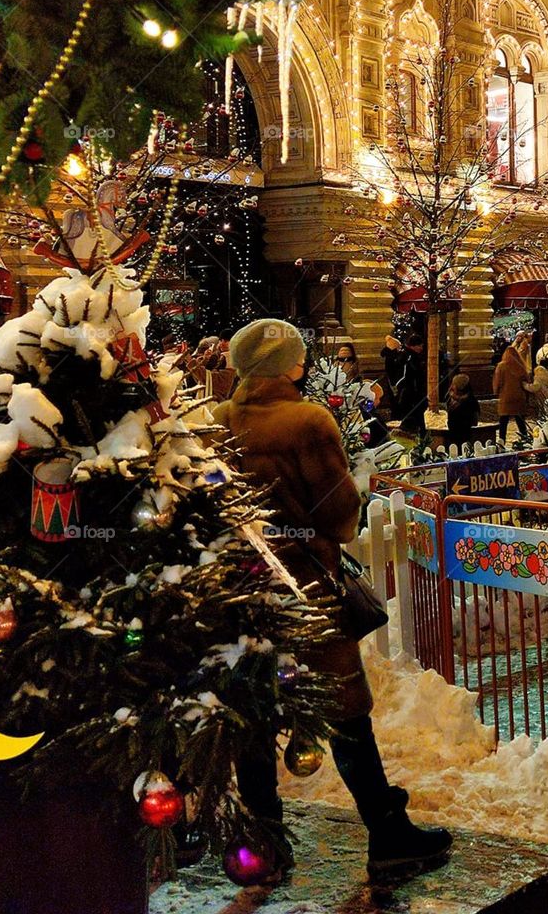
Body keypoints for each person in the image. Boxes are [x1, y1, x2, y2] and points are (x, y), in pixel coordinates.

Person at [211, 319, 452, 879]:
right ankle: (388, 836)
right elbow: (341, 518)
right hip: (307, 589)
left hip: (244, 588)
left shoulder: (216, 421)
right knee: (346, 716)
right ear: (289, 366)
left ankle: (264, 846)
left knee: (253, 714)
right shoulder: (308, 421)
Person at [493, 342, 529, 441]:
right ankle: (525, 439)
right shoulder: (521, 366)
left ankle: (502, 440)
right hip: (519, 396)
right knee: (520, 421)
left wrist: (496, 391)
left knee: (503, 421)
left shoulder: (501, 366)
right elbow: (527, 380)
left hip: (506, 397)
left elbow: (497, 381)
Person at [396, 335, 428, 434]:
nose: (421, 348)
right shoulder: (409, 357)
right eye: (420, 346)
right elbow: (406, 376)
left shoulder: (411, 356)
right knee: (414, 420)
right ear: (414, 346)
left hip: (413, 394)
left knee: (415, 419)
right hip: (411, 395)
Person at [446, 373, 480, 444]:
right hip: (452, 436)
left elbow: (475, 419)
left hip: (466, 436)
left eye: (454, 384)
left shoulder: (470, 400)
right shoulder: (451, 399)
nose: (452, 386)